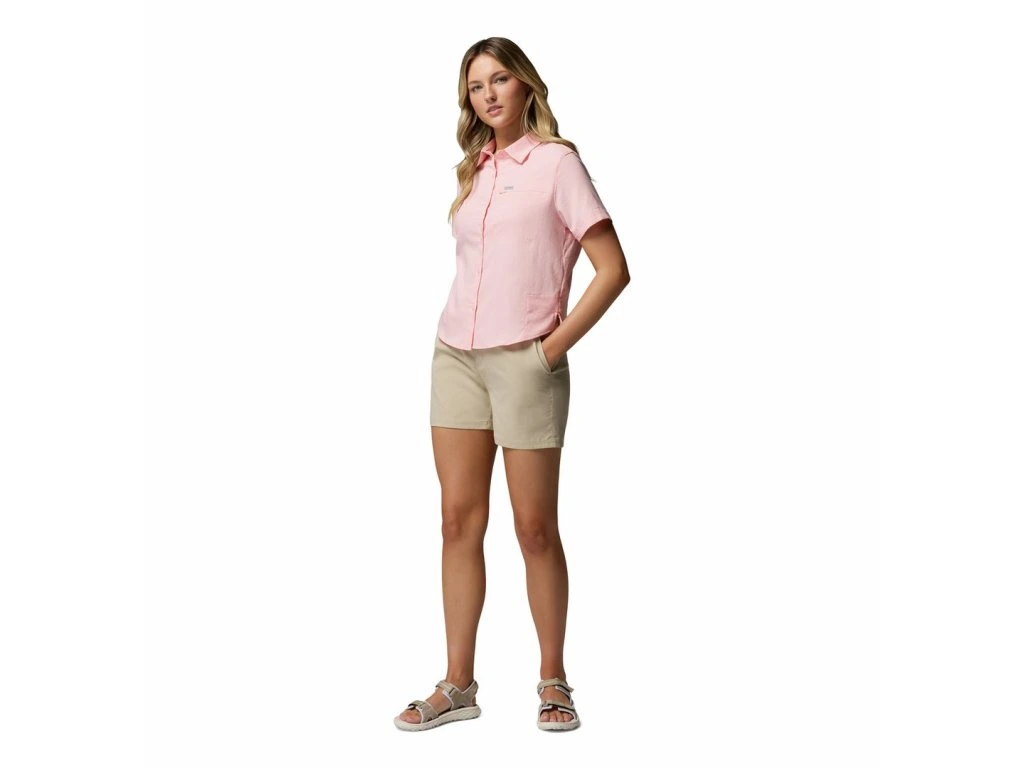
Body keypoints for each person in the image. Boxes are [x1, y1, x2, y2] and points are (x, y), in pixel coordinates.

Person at [394, 37, 630, 733]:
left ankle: (554, 680)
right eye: (476, 87)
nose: (488, 94)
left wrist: (549, 348)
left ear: (526, 84)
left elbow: (613, 268)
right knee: (457, 521)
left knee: (534, 529)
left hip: (525, 361)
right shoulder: (477, 168)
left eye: (500, 79)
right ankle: (458, 684)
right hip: (455, 357)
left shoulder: (557, 164)